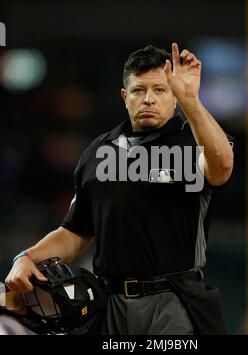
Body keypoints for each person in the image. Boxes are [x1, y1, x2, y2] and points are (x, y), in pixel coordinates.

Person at [5, 43, 234, 335]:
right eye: (139, 90)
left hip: (173, 301)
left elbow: (222, 165)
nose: (149, 99)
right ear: (125, 97)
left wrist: (191, 100)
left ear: (173, 96)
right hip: (110, 304)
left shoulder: (192, 142)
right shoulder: (99, 152)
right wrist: (25, 257)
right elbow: (75, 233)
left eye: (161, 90)